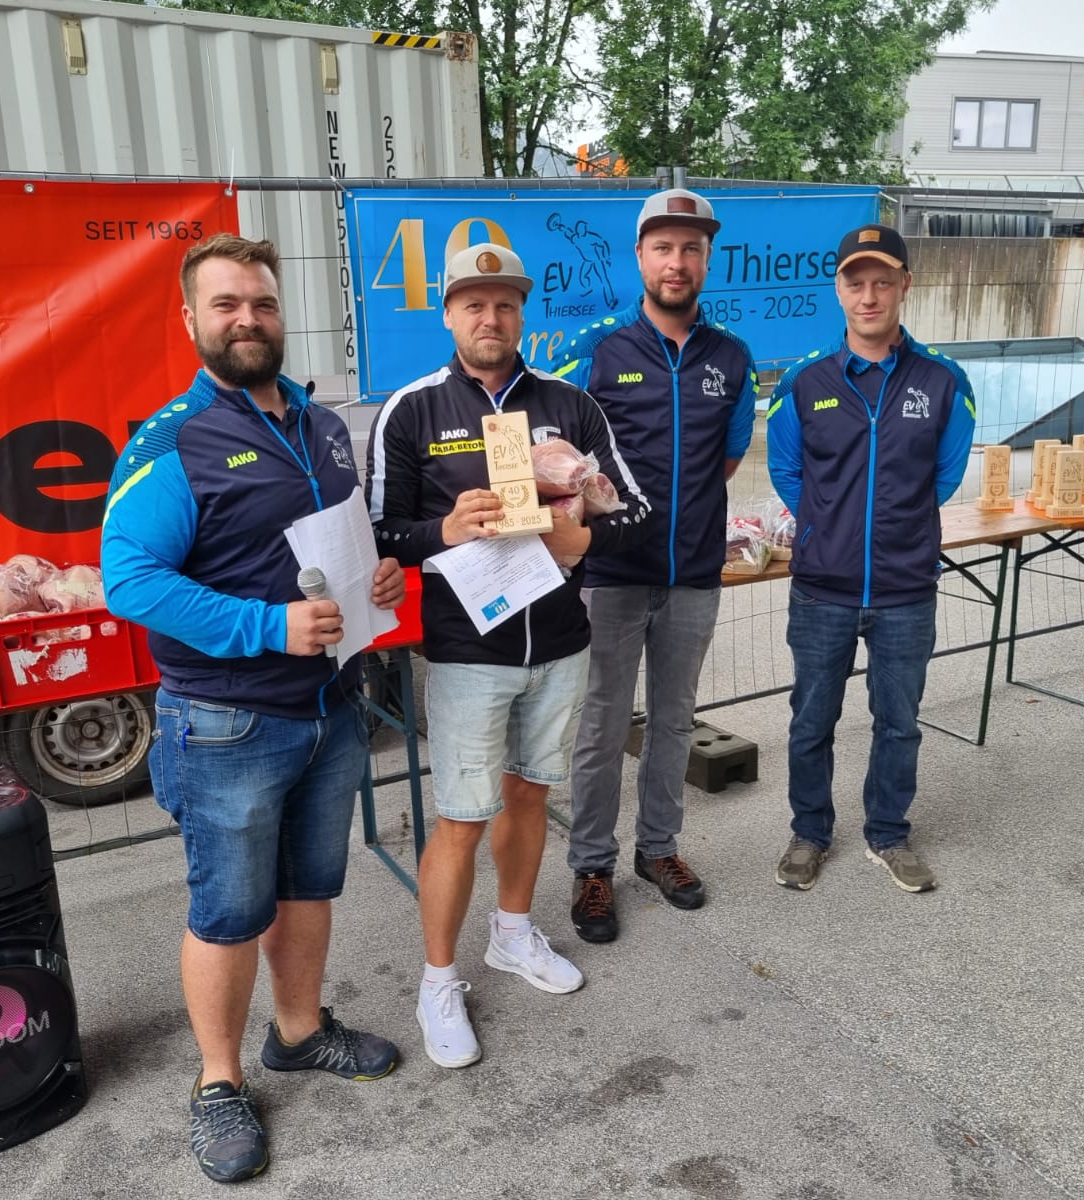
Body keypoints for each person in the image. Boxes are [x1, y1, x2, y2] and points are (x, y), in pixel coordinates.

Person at [102, 233, 405, 1184]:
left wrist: (377, 576)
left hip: (331, 707)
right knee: (229, 909)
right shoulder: (173, 440)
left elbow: (333, 542)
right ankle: (219, 1083)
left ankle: (300, 1031)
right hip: (227, 720)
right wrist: (268, 626)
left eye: (263, 303)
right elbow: (129, 579)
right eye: (226, 304)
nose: (248, 319)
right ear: (190, 320)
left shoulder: (322, 426)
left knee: (310, 887)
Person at [365, 241, 651, 1068]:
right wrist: (444, 529)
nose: (490, 318)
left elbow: (632, 509)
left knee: (529, 797)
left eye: (504, 304)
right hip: (467, 651)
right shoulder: (411, 410)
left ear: (522, 314)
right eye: (473, 304)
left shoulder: (570, 404)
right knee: (461, 817)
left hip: (559, 645)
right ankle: (437, 981)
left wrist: (581, 536)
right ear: (448, 314)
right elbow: (379, 532)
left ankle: (513, 934)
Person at [553, 189, 758, 943]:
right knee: (602, 726)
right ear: (639, 256)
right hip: (611, 575)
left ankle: (658, 849)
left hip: (693, 573)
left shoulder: (731, 357)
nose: (678, 262)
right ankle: (592, 865)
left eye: (691, 248)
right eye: (664, 247)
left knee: (674, 721)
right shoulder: (598, 348)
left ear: (707, 258)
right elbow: (558, 454)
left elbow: (727, 458)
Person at [765, 223, 975, 894]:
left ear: (905, 285)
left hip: (905, 589)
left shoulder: (943, 380)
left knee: (900, 723)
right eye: (856, 283)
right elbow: (786, 470)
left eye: (883, 281)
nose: (869, 296)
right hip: (821, 590)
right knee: (810, 721)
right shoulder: (804, 381)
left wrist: (898, 527)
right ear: (839, 290)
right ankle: (810, 832)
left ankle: (889, 833)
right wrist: (828, 524)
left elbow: (944, 475)